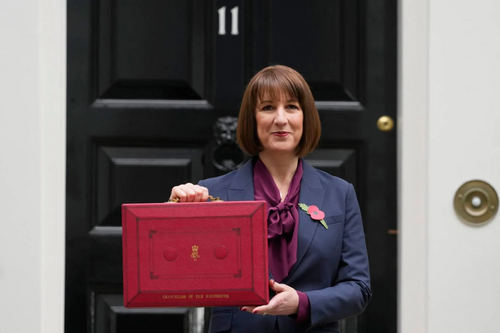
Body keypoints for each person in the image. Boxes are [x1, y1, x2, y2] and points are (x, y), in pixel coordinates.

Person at [169, 65, 371, 332]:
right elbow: (180, 275)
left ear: (305, 117)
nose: (280, 118)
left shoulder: (340, 193)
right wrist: (172, 214)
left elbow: (358, 289)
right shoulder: (212, 193)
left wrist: (302, 302)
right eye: (267, 108)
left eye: (291, 107)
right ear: (252, 119)